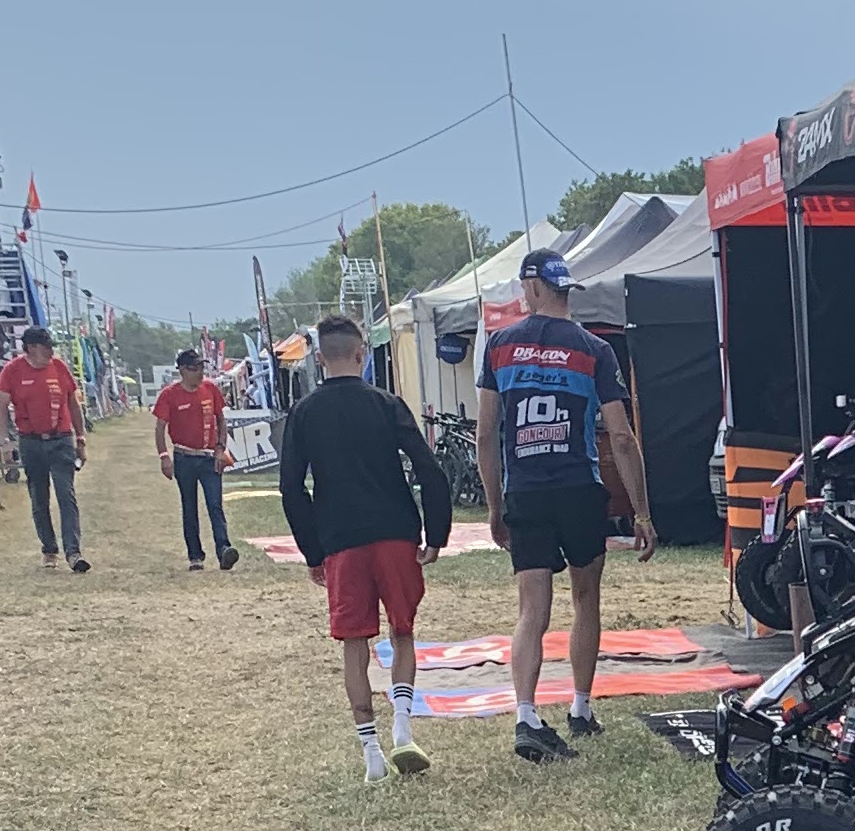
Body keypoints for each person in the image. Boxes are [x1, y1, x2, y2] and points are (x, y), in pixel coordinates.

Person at [476, 250, 654, 764]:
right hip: (579, 486)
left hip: (525, 490)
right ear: (565, 290)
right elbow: (621, 437)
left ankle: (526, 715)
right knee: (585, 598)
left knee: (532, 610)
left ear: (532, 288)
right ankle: (580, 706)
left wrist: (494, 505)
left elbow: (487, 434)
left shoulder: (500, 346)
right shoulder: (595, 349)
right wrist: (641, 512)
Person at [277, 314, 452, 780]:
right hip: (395, 532)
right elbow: (429, 469)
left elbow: (292, 489)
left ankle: (371, 752)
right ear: (362, 354)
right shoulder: (387, 403)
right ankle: (403, 725)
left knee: (354, 642)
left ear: (319, 359)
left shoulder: (304, 413)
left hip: (340, 539)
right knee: (402, 632)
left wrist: (312, 551)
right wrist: (436, 533)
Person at [0, 324, 88, 573]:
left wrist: (81, 438)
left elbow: (73, 403)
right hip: (31, 441)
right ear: (32, 348)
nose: (50, 352)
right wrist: (4, 440)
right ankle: (49, 548)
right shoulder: (12, 371)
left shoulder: (59, 368)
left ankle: (73, 552)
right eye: (46, 347)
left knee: (66, 495)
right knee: (39, 497)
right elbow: (0, 407)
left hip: (60, 439)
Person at [153, 348, 241, 572]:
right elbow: (160, 427)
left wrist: (220, 448)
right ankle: (195, 556)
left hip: (209, 457)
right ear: (183, 370)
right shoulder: (169, 395)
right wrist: (164, 456)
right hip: (184, 457)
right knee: (189, 505)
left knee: (215, 504)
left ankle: (224, 549)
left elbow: (221, 419)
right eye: (195, 369)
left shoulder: (210, 389)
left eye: (202, 368)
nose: (200, 373)